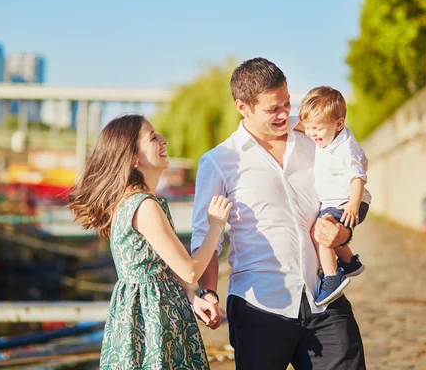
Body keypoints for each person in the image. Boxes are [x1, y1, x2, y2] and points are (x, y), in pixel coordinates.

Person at [191, 58, 366, 369]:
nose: (285, 113)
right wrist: (208, 293)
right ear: (242, 107)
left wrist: (345, 234)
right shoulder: (219, 161)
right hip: (259, 307)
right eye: (273, 109)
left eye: (287, 103)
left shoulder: (316, 137)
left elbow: (353, 191)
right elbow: (207, 236)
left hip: (323, 298)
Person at [68, 114, 231, 369]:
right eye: (153, 137)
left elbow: (157, 267)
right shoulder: (144, 206)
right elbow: (189, 270)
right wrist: (216, 226)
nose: (163, 140)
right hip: (153, 320)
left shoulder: (131, 201)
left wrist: (191, 299)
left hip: (140, 316)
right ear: (133, 157)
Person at [293, 86, 372, 306]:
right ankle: (349, 263)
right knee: (321, 228)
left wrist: (353, 205)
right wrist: (288, 121)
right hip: (334, 202)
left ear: (339, 124)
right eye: (308, 128)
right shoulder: (327, 135)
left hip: (348, 201)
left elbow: (358, 177)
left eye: (317, 128)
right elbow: (300, 124)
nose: (311, 133)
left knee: (321, 232)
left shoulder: (346, 148)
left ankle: (331, 277)